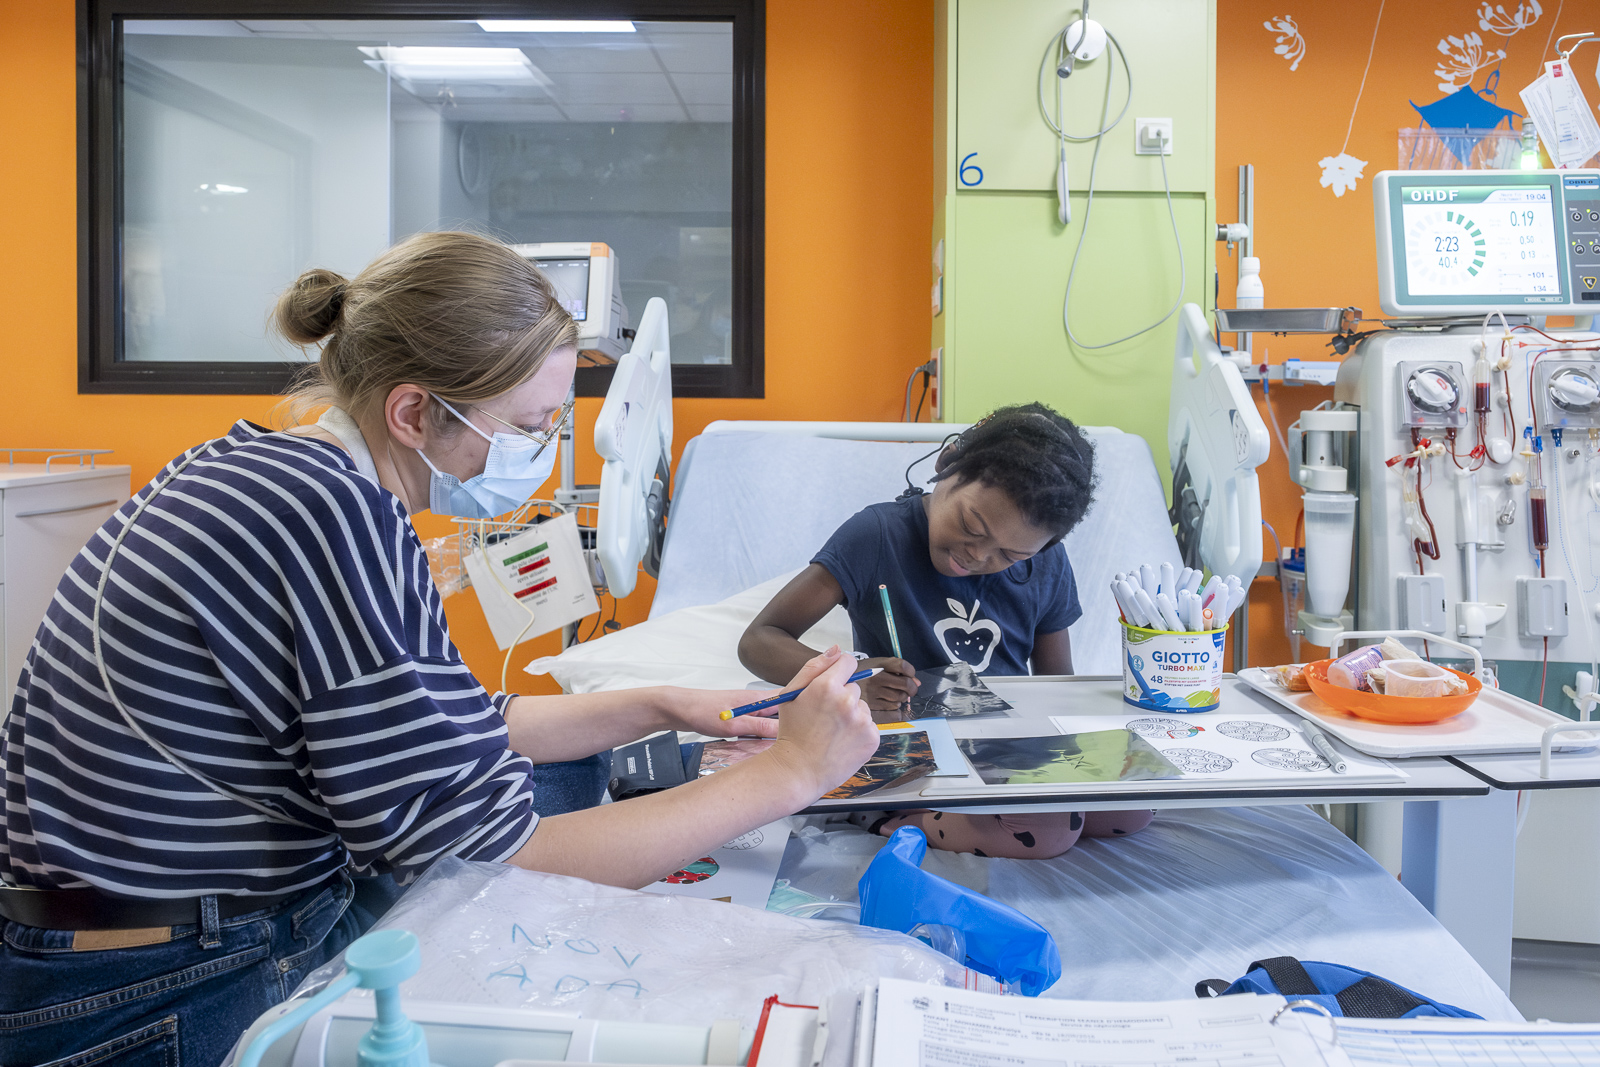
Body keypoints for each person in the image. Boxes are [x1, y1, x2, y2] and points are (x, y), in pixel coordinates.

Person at [0, 232, 878, 1067]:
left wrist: (654, 703)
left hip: (74, 940)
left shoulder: (256, 468)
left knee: (583, 777)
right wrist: (789, 776)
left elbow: (448, 723)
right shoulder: (330, 517)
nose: (539, 452)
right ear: (415, 411)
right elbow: (495, 856)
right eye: (530, 427)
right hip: (153, 984)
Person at [739, 403, 1152, 859]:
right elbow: (760, 639)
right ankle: (883, 817)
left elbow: (1057, 684)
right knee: (1047, 830)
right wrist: (853, 676)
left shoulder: (1047, 563)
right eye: (971, 526)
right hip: (908, 740)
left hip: (1001, 746)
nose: (978, 556)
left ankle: (974, 810)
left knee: (1133, 808)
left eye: (1010, 555)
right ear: (946, 465)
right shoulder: (876, 536)